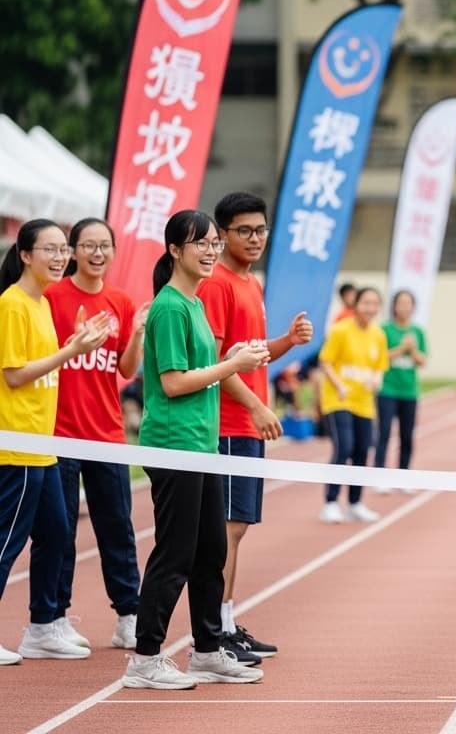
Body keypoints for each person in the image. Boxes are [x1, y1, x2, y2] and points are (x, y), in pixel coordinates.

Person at [121, 209, 267, 689]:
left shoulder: (196, 302)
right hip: (175, 443)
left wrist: (231, 358)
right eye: (199, 243)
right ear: (175, 250)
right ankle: (145, 658)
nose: (209, 251)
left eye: (212, 243)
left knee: (211, 550)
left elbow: (202, 369)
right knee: (176, 553)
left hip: (202, 444)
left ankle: (206, 650)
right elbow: (173, 383)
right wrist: (232, 367)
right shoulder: (169, 307)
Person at [198, 191, 314, 661]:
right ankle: (213, 632)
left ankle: (226, 622)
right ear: (222, 235)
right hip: (228, 425)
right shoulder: (218, 285)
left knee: (237, 528)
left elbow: (252, 354)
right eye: (243, 231)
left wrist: (287, 340)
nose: (254, 238)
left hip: (246, 425)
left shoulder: (251, 283)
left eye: (260, 230)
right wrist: (258, 408)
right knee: (226, 530)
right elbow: (217, 363)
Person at [1, 219, 111, 665]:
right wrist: (71, 351)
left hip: (42, 443)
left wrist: (75, 345)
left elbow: (42, 365)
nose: (60, 257)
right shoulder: (12, 305)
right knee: (7, 540)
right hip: (18, 443)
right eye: (50, 249)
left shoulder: (41, 303)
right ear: (25, 255)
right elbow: (14, 375)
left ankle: (43, 628)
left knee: (57, 532)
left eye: (63, 249)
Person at [46, 218, 147, 653]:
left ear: (114, 251)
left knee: (117, 528)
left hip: (106, 433)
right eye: (88, 245)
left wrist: (137, 334)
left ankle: (129, 615)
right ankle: (56, 617)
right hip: (60, 432)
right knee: (60, 529)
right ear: (73, 251)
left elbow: (126, 369)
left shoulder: (120, 301)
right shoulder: (52, 298)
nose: (97, 253)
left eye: (105, 245)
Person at [318, 287, 388, 523]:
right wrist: (339, 385)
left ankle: (355, 503)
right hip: (339, 401)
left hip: (364, 403)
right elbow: (325, 361)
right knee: (344, 446)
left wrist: (377, 379)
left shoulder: (378, 335)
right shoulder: (341, 330)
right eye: (366, 303)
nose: (370, 308)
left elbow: (380, 366)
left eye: (375, 303)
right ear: (356, 305)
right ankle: (330, 502)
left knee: (362, 451)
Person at [373, 290, 427, 495]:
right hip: (387, 389)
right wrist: (401, 348)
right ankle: (379, 477)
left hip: (409, 391)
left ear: (413, 307)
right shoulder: (384, 330)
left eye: (408, 303)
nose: (405, 307)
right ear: (394, 306)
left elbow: (422, 361)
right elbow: (379, 357)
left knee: (407, 436)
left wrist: (412, 350)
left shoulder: (417, 332)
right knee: (384, 434)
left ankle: (403, 477)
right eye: (401, 303)